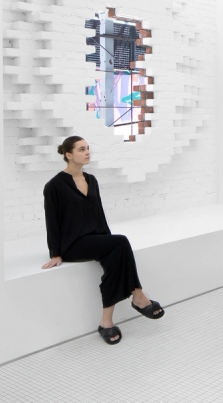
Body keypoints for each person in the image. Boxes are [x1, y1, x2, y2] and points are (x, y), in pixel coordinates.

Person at [41, 136, 165, 344]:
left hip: (94, 238)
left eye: (88, 148)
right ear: (69, 154)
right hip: (72, 244)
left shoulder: (91, 180)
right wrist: (55, 253)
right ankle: (138, 296)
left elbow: (98, 213)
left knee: (116, 254)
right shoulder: (54, 186)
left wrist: (107, 240)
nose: (87, 152)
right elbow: (51, 221)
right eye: (81, 149)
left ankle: (106, 322)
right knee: (121, 243)